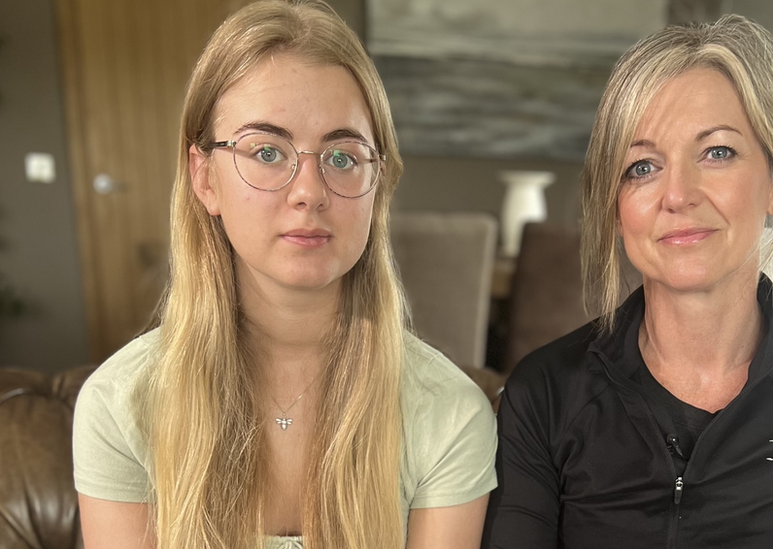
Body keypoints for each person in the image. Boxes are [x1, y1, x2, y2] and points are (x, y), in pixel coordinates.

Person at [72, 2, 496, 548]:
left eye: (343, 157)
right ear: (205, 178)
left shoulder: (449, 415)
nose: (309, 192)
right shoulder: (119, 405)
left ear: (378, 183)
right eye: (267, 151)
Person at [482, 14, 773, 549]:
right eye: (642, 167)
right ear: (615, 206)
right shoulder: (543, 393)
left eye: (717, 152)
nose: (677, 194)